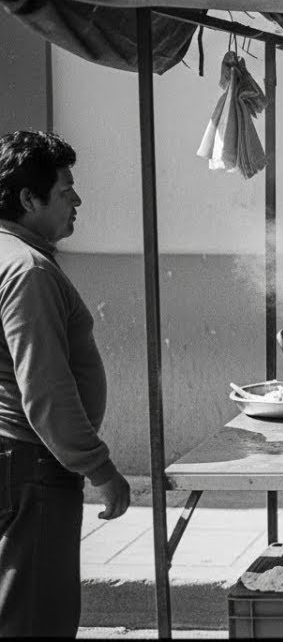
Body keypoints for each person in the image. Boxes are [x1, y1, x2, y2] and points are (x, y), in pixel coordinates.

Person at [0, 130, 130, 637]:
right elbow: (46, 388)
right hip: (32, 466)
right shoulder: (27, 270)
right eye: (65, 190)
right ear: (28, 199)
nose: (77, 200)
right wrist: (99, 468)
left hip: (18, 463)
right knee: (36, 619)